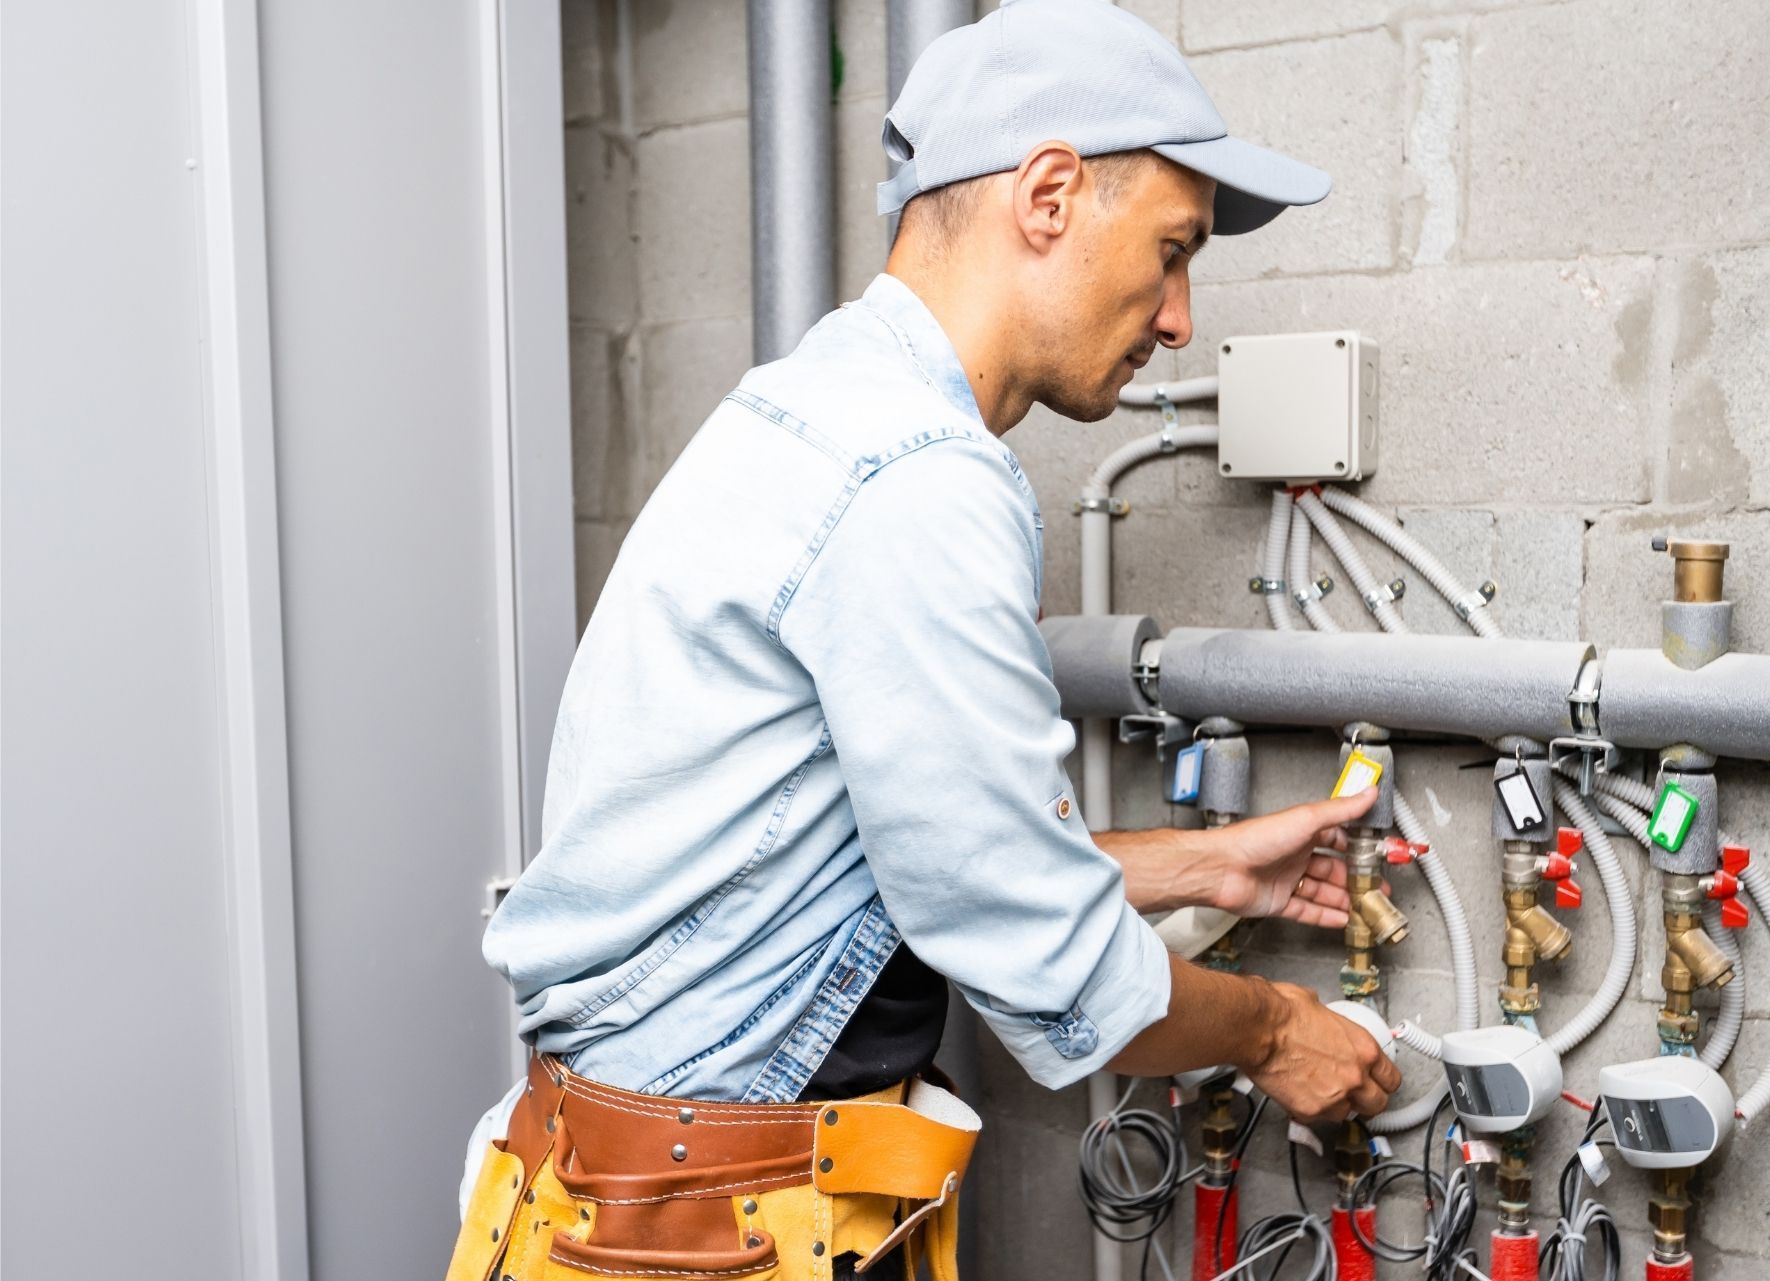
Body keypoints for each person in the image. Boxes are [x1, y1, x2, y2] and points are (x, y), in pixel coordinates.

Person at [445, 3, 1400, 1279]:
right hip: (700, 1233)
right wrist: (1278, 1030)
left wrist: (1201, 866)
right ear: (1050, 194)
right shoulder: (916, 476)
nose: (1179, 317)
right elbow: (1039, 957)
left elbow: (895, 858)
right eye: (1173, 251)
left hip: (631, 1194)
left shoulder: (813, 407)